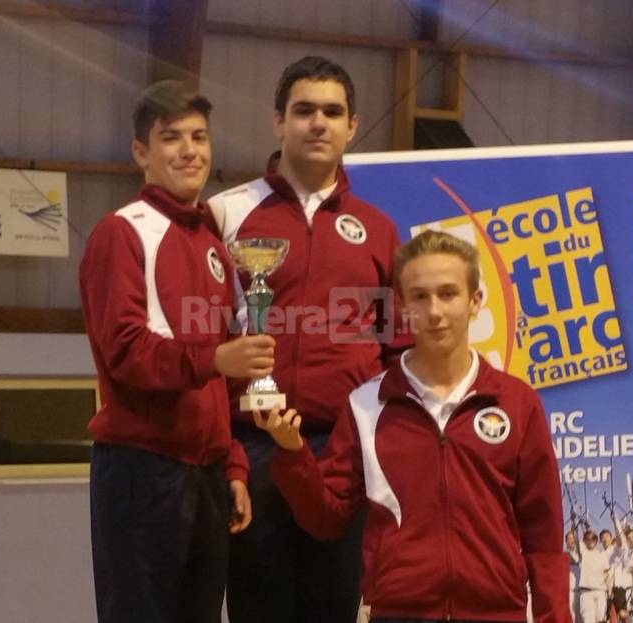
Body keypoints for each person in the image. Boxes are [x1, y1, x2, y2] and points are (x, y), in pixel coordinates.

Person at [254, 229, 569, 622]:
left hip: (496, 614)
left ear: (475, 302)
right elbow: (326, 518)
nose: (434, 311)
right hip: (399, 613)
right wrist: (292, 452)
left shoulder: (517, 402)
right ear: (402, 306)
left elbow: (544, 535)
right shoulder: (368, 404)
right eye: (420, 296)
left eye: (448, 293)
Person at [208, 56, 409, 623]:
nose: (317, 123)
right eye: (303, 111)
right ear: (278, 121)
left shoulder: (378, 227)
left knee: (333, 607)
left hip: (341, 453)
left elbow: (399, 346)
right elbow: (204, 340)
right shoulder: (228, 213)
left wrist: (386, 445)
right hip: (254, 447)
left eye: (331, 112)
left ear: (352, 126)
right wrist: (229, 458)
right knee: (257, 608)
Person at [79, 80, 276, 623]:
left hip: (207, 473)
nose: (189, 150)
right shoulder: (122, 233)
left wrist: (234, 465)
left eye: (199, 137)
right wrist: (213, 359)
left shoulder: (214, 246)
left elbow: (225, 378)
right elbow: (125, 350)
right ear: (141, 151)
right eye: (171, 138)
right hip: (143, 470)